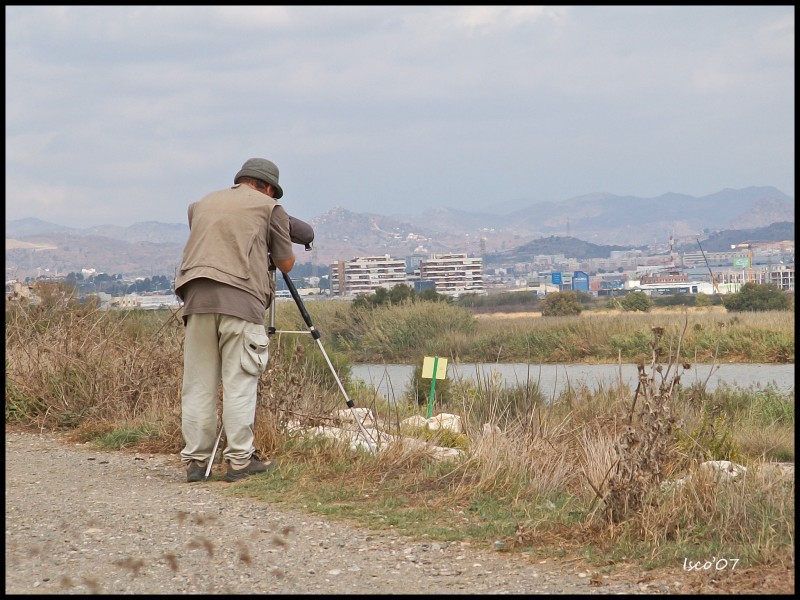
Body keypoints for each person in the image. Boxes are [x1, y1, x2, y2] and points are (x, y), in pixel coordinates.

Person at [175, 157, 296, 483]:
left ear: (240, 179)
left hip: (196, 299)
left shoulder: (201, 204)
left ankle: (198, 463)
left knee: (198, 385)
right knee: (239, 382)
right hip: (241, 301)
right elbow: (285, 263)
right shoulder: (269, 208)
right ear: (270, 188)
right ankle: (240, 461)